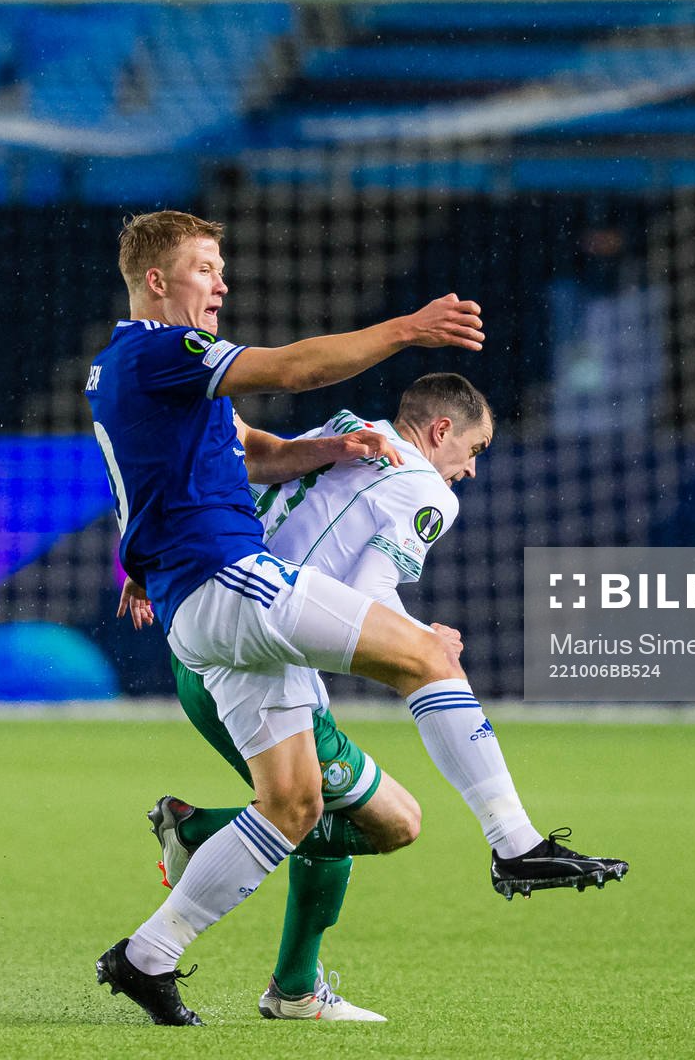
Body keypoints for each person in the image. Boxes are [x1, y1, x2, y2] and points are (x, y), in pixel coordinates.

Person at [86, 210, 626, 1026]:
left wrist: (323, 453)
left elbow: (238, 452)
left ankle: (146, 956)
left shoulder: (128, 370)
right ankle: (516, 846)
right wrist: (408, 329)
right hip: (234, 582)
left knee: (295, 808)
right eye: (205, 267)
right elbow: (297, 369)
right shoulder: (165, 348)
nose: (221, 282)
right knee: (432, 659)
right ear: (157, 280)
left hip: (198, 609)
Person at [128, 373, 500, 1023]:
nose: (469, 469)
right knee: (387, 821)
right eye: (474, 449)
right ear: (440, 431)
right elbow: (368, 590)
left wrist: (146, 565)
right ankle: (201, 855)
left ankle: (292, 985)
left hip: (208, 634)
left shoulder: (335, 437)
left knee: (309, 810)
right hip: (254, 664)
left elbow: (228, 478)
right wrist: (418, 643)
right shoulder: (415, 486)